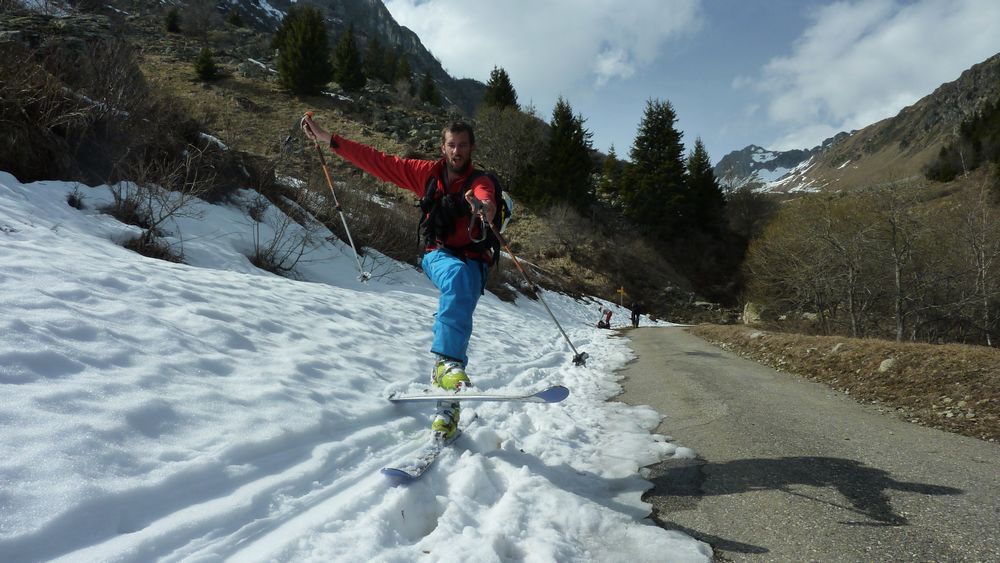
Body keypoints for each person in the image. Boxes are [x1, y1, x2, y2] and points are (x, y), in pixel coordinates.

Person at [301, 115, 496, 441]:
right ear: (442, 146)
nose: (457, 151)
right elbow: (378, 161)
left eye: (463, 145)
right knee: (457, 282)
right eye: (452, 144)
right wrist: (328, 139)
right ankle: (446, 366)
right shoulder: (427, 174)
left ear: (471, 147)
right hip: (439, 254)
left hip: (475, 260)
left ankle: (447, 406)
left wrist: (484, 207)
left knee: (458, 312)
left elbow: (485, 196)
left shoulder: (479, 181)